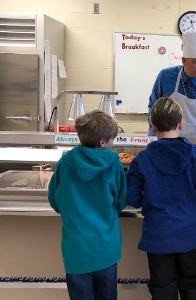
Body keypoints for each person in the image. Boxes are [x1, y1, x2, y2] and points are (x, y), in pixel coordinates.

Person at [126, 97, 196, 300]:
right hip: (190, 235)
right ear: (180, 124)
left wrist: (151, 197)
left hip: (158, 237)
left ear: (153, 126)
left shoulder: (141, 159)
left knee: (162, 292)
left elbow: (132, 198)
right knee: (194, 288)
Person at [48, 110, 127, 300]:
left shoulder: (65, 163)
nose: (113, 144)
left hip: (76, 249)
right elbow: (121, 201)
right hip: (106, 247)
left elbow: (54, 200)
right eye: (112, 139)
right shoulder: (114, 164)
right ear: (102, 142)